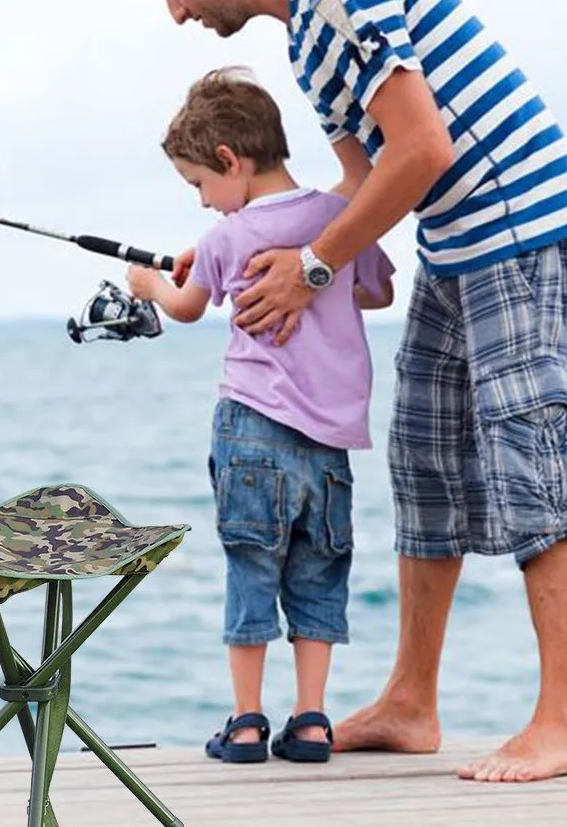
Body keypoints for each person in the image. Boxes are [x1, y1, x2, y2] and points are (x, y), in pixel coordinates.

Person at [129, 0, 567, 784]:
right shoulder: (309, 36)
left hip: (522, 234)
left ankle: (561, 722)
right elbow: (356, 186)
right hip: (457, 249)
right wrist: (241, 239)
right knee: (424, 458)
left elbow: (422, 149)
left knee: (528, 454)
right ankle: (410, 704)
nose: (177, 12)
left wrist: (311, 268)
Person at [127, 66, 394, 765]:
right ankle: (311, 722)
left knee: (251, 569)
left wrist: (148, 281)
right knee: (318, 573)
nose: (206, 204)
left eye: (198, 186)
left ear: (229, 161)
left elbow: (186, 308)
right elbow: (379, 292)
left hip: (249, 428)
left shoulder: (228, 236)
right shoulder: (339, 221)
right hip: (328, 443)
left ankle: (246, 723)